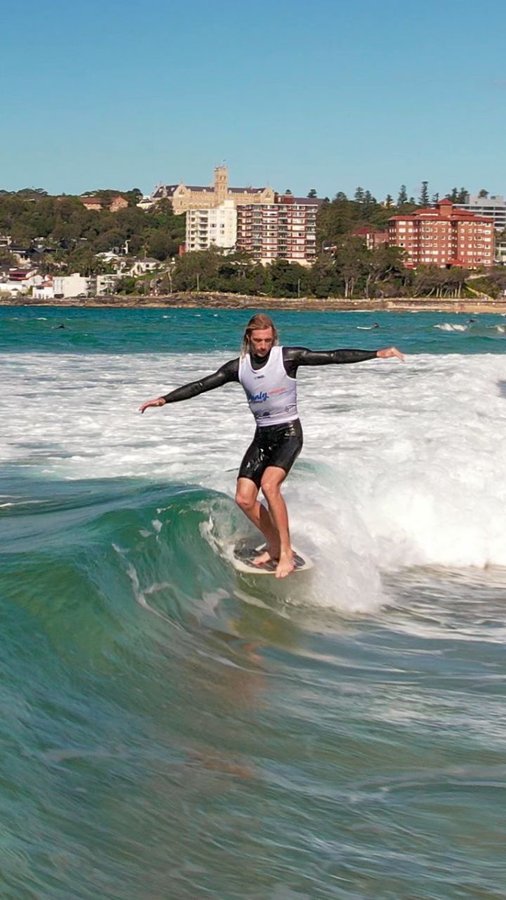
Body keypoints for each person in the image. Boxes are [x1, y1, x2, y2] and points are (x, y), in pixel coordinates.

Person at [139, 314, 404, 578]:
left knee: (269, 485)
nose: (263, 346)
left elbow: (333, 356)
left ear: (273, 338)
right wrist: (165, 399)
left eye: (267, 340)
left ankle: (286, 552)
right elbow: (201, 385)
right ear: (248, 339)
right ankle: (274, 544)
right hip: (263, 437)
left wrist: (376, 354)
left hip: (289, 434)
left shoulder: (288, 358)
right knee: (244, 498)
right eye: (258, 341)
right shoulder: (238, 367)